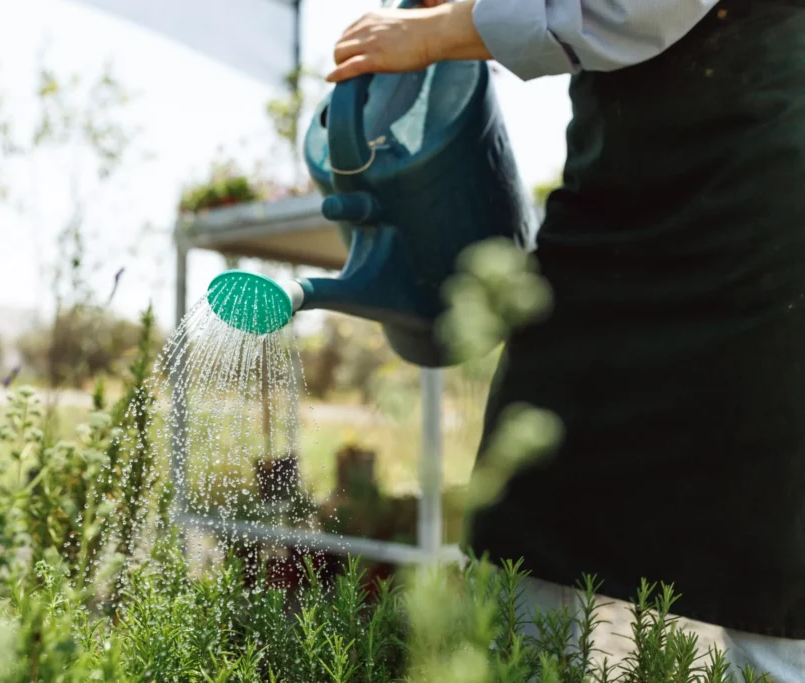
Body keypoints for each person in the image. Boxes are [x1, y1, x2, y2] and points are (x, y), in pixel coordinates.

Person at [329, 0, 805, 678]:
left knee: (766, 537)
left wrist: (440, 32)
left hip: (757, 214)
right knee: (531, 508)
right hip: (614, 202)